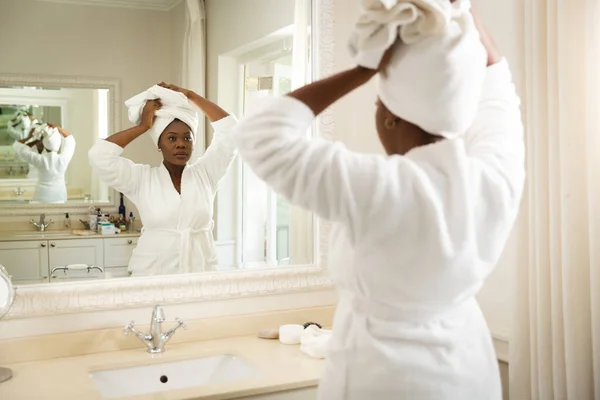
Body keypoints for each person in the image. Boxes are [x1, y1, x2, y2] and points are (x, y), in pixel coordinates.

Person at [232, 4, 524, 400]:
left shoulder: (373, 187)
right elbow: (497, 89)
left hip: (385, 377)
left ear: (389, 118)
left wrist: (364, 69)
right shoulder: (493, 176)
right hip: (468, 371)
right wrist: (458, 11)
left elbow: (260, 134)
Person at [88, 83, 237, 276]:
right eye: (172, 139)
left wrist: (191, 96)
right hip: (153, 274)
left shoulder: (205, 174)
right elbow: (99, 156)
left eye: (187, 138)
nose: (181, 144)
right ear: (159, 144)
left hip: (200, 272)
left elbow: (231, 133)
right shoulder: (142, 179)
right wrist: (143, 127)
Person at [13, 123, 76, 204]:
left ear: (44, 142)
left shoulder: (40, 159)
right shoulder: (63, 159)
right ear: (59, 143)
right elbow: (71, 141)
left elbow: (20, 148)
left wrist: (32, 138)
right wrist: (57, 127)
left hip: (41, 196)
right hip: (59, 196)